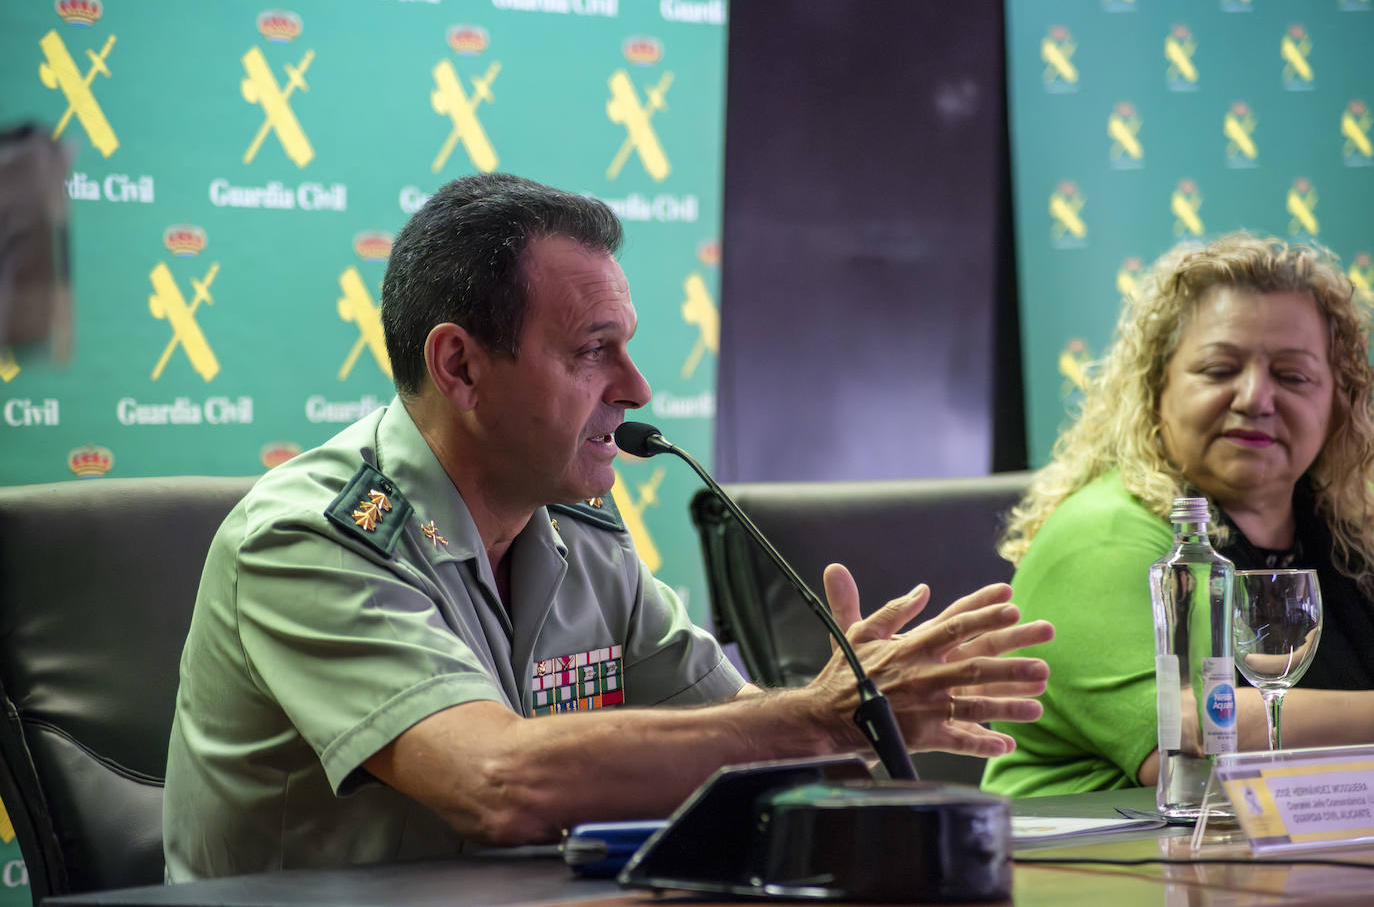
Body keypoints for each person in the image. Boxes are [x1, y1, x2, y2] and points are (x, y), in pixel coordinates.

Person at [163, 173, 1054, 880]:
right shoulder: (306, 539)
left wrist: (842, 723)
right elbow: (495, 782)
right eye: (593, 351)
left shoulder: (580, 532)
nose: (636, 389)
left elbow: (741, 734)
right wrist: (817, 721)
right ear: (460, 366)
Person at [981, 232, 1374, 799]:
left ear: (1339, 401)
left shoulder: (1345, 534)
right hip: (1103, 872)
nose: (1255, 398)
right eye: (1218, 370)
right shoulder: (1101, 534)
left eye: (1292, 376)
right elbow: (1191, 733)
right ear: (1154, 389)